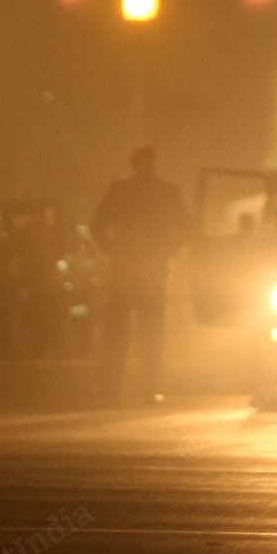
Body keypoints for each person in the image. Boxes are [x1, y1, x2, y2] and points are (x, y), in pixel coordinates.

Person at [90, 146, 191, 403]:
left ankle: (112, 387)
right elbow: (188, 228)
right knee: (150, 330)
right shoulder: (167, 193)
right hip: (150, 269)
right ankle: (149, 387)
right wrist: (169, 251)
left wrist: (113, 250)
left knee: (119, 332)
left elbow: (97, 225)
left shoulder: (122, 191)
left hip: (128, 267)